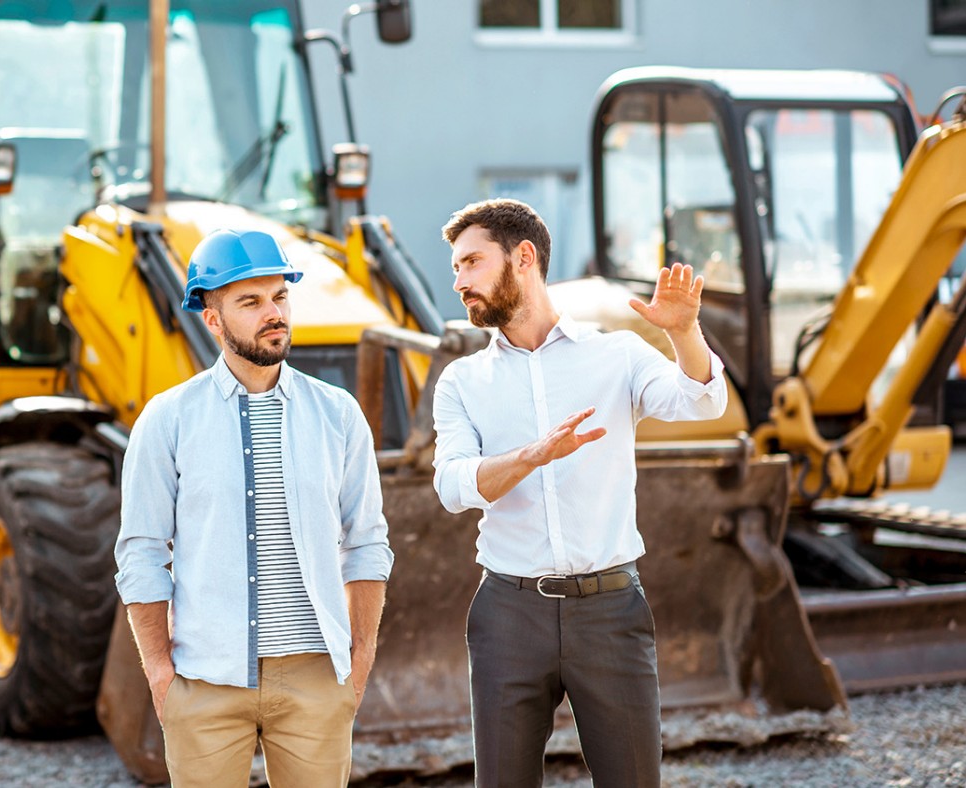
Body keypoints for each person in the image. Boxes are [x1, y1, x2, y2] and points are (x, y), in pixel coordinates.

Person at [431, 199, 727, 787]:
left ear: (523, 257)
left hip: (610, 611)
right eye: (456, 269)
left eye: (472, 262)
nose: (461, 282)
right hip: (508, 614)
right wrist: (531, 457)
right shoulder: (462, 380)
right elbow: (451, 485)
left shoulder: (614, 353)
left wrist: (685, 333)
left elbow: (701, 400)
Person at [115, 228, 393, 787]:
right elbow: (142, 552)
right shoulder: (167, 419)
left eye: (280, 297)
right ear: (213, 319)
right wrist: (162, 677)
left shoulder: (338, 414)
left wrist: (358, 664)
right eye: (251, 302)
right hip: (205, 681)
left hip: (317, 678)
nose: (274, 313)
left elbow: (365, 544)